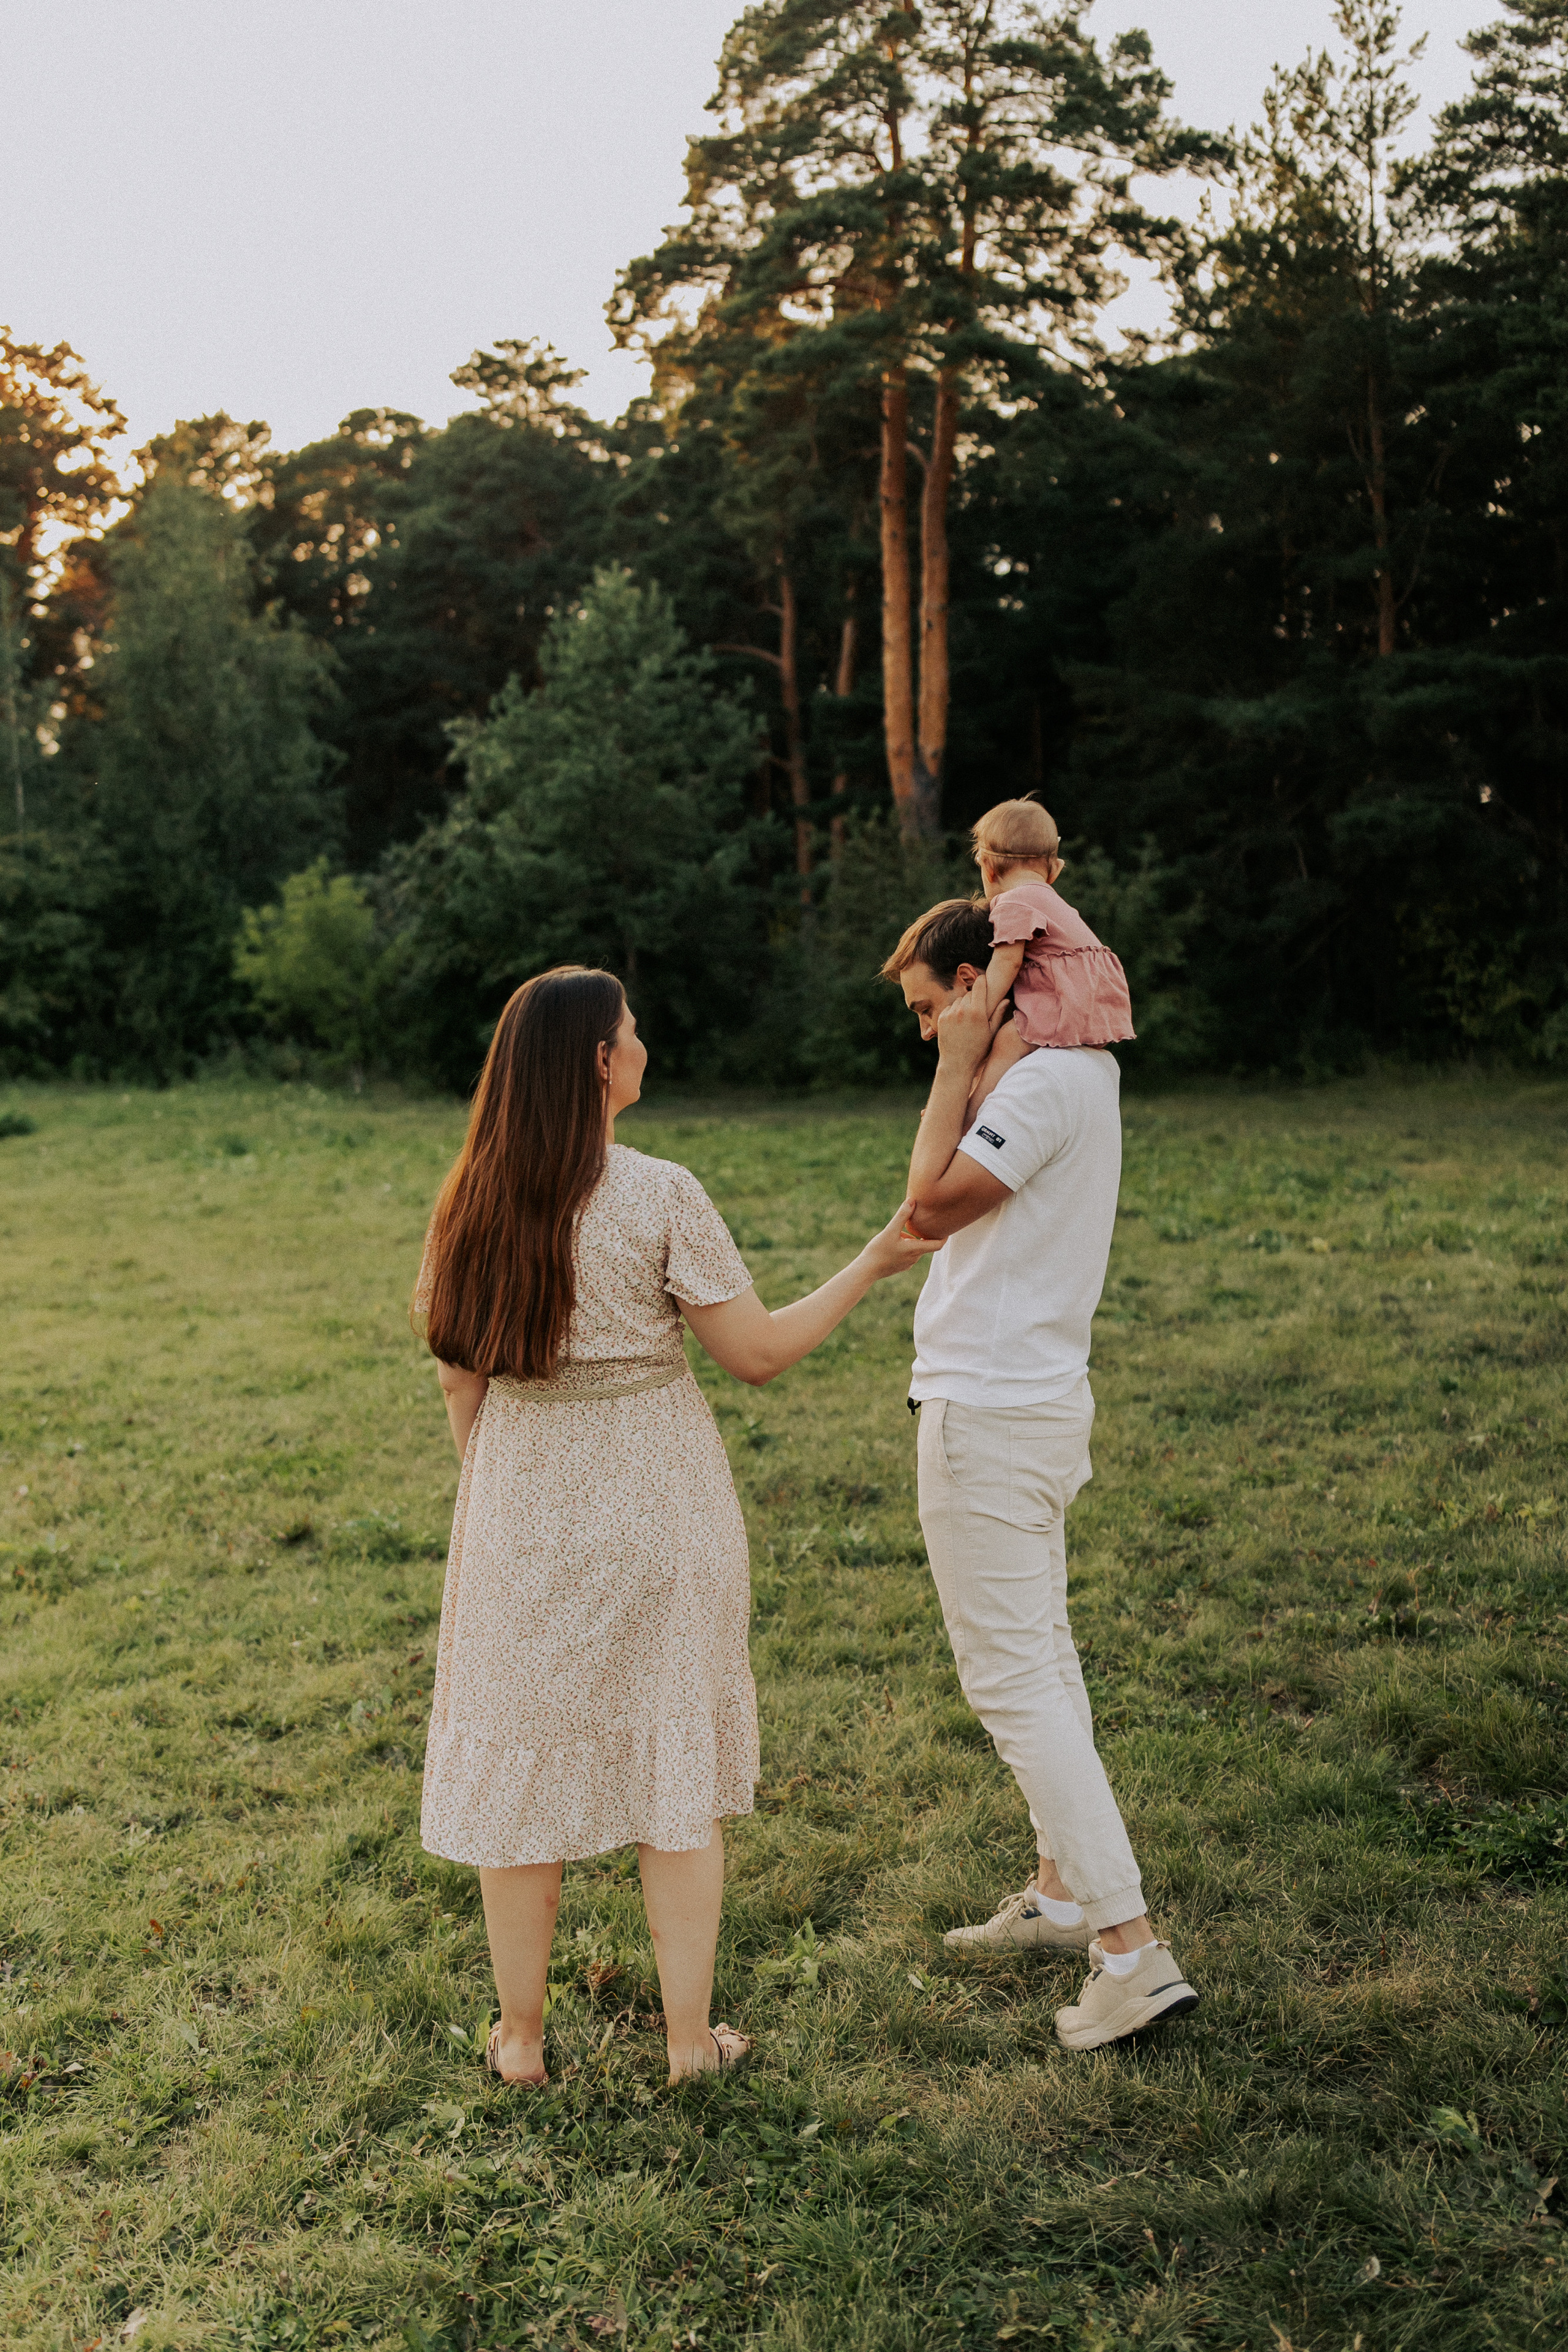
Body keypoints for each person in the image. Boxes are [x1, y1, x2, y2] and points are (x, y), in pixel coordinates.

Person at [413, 965, 938, 2087]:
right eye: (634, 1030)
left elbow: (462, 1381)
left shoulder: (470, 1199)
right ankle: (690, 2044)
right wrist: (875, 1259)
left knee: (520, 1774)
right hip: (660, 1500)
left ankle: (520, 2040)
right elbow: (753, 1354)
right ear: (603, 1063)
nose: (646, 1042)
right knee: (674, 1769)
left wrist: (507, 1501)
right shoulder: (658, 1194)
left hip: (522, 1499)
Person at [883, 900, 1198, 2051]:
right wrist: (981, 1051)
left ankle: (1129, 1949)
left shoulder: (1038, 1085)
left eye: (932, 1008)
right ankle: (1064, 1892)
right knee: (1046, 1664)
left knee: (1014, 1682)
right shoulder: (1075, 1070)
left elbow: (926, 1206)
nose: (928, 1034)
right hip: (1040, 1400)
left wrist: (963, 1060)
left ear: (976, 978)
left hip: (996, 1414)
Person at [960, 796, 1136, 1131]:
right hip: (1091, 997)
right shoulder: (1052, 899)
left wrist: (978, 1009)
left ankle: (968, 1118)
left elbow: (1007, 963)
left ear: (988, 867)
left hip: (1062, 998)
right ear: (1054, 870)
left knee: (1006, 1043)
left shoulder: (1013, 900)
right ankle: (975, 1101)